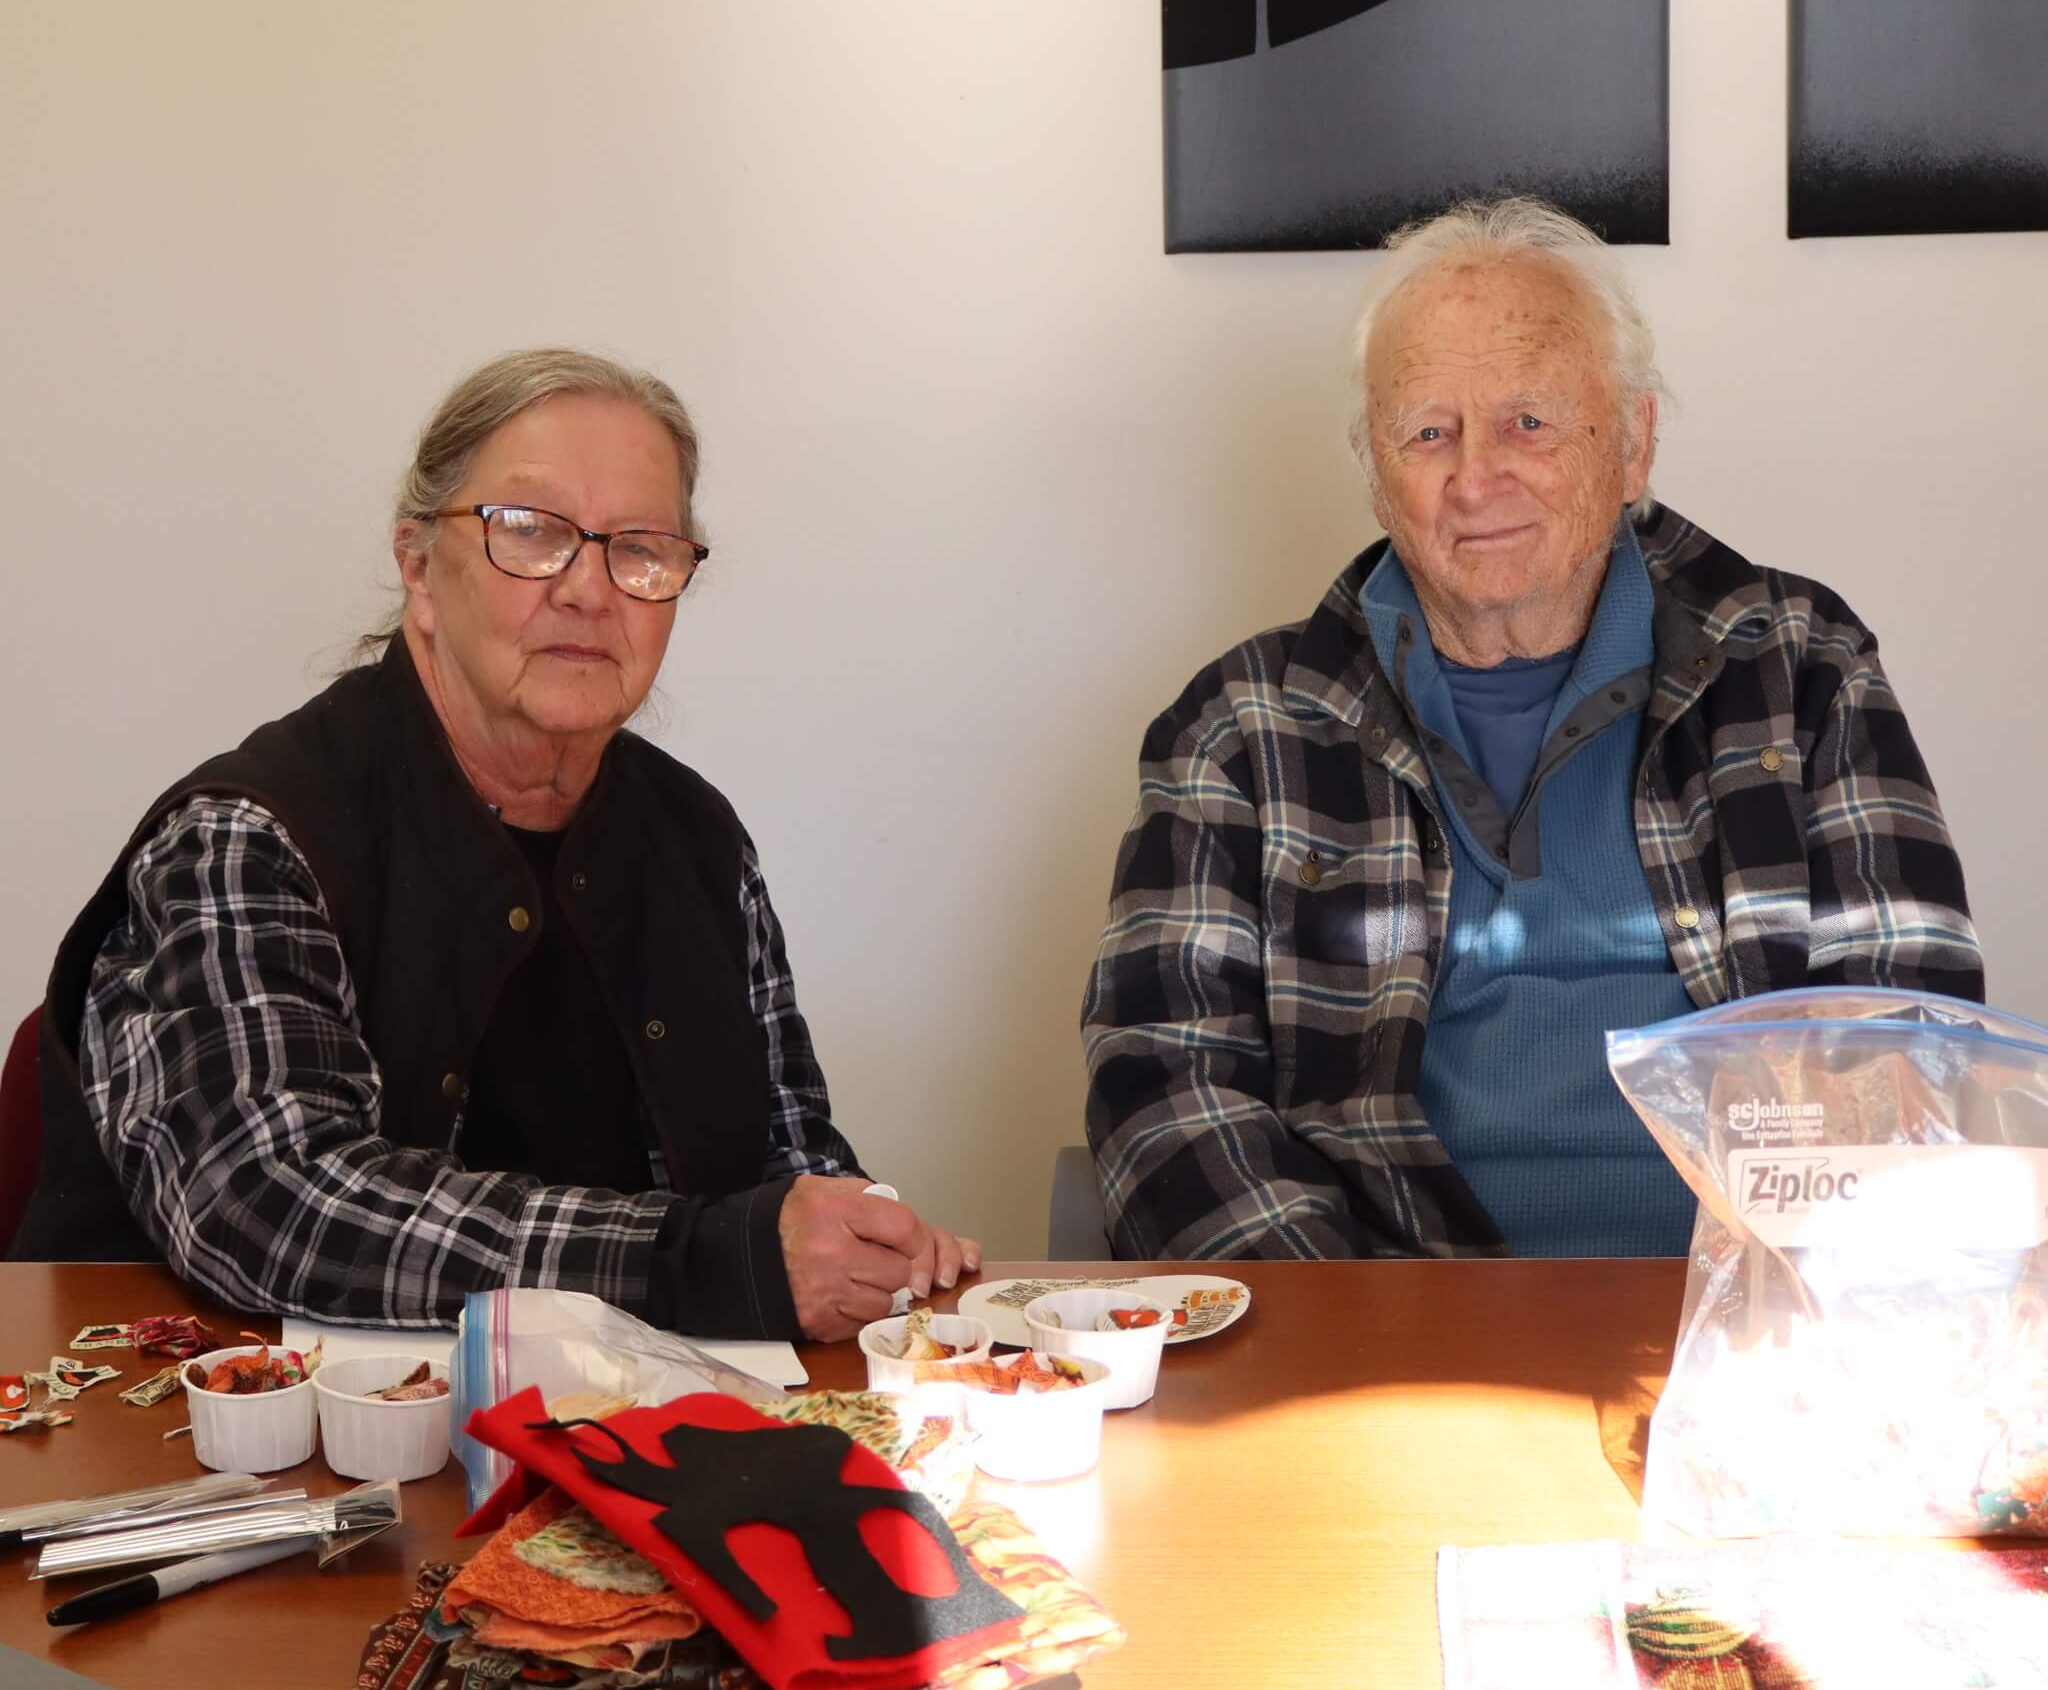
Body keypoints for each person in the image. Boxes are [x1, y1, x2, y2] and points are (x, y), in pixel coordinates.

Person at [1081, 197, 1981, 1264]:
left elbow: (1910, 1033)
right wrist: (1360, 1346)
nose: (1474, 477)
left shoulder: (1798, 667)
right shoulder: (1240, 727)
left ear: (1633, 442)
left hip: (1746, 1324)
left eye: (1529, 422)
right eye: (1427, 431)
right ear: (1375, 469)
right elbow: (1162, 1082)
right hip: (1383, 1330)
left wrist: (1776, 1315)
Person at [16, 349, 976, 1340]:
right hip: (210, 1450)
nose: (589, 589)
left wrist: (854, 1237)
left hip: (626, 1437)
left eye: (640, 546)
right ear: (420, 569)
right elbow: (273, 1205)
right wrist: (705, 1260)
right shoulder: (246, 833)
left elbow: (787, 1159)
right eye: (530, 532)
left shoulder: (700, 840)